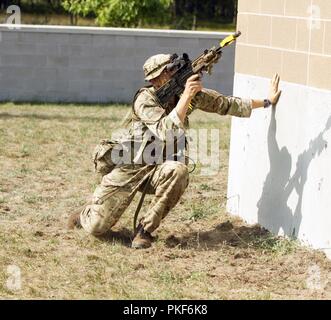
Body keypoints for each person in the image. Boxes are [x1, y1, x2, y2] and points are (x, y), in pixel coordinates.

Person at [68, 53, 281, 249]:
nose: (168, 76)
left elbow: (224, 104)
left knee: (179, 170)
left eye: (172, 71)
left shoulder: (186, 95)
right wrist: (187, 96)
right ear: (154, 80)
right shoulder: (145, 99)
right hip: (130, 166)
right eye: (164, 74)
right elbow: (165, 130)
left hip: (160, 168)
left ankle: (144, 231)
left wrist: (266, 101)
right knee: (97, 228)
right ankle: (85, 214)